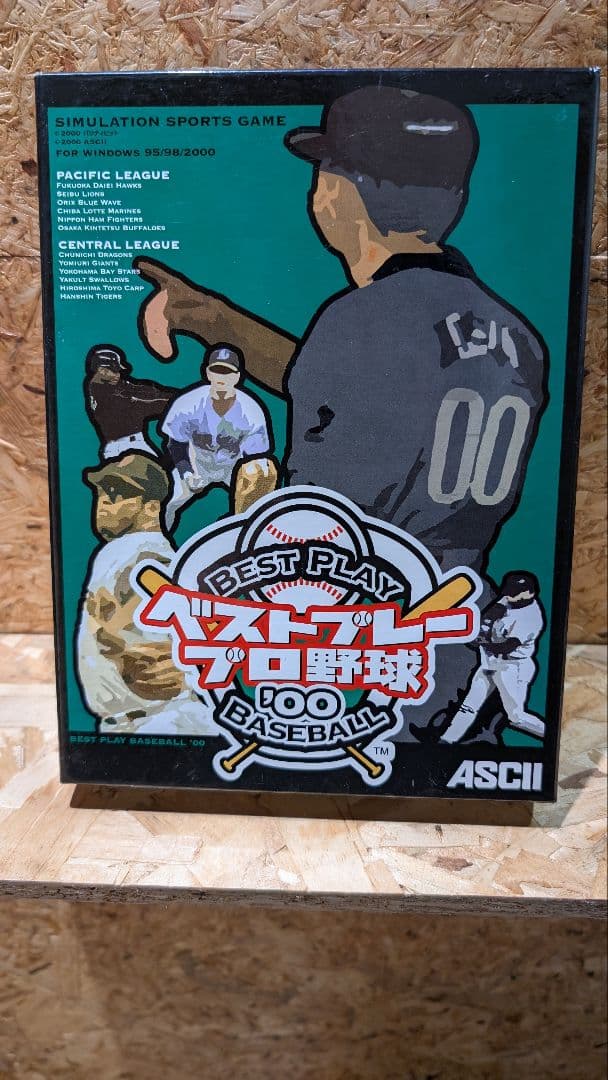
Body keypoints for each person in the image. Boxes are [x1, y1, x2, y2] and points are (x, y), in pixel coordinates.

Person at [133, 85, 548, 734]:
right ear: (455, 198)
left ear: (336, 196)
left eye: (323, 172)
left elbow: (312, 513)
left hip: (359, 649)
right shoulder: (514, 335)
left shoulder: (361, 320)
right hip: (459, 626)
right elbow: (378, 391)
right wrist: (211, 317)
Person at [77, 453, 217, 735]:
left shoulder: (143, 552)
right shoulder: (124, 551)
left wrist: (182, 667)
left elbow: (197, 624)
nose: (105, 502)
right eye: (103, 493)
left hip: (158, 721)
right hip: (146, 719)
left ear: (151, 506)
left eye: (119, 494)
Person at [162, 344, 275, 529]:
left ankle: (250, 538)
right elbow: (176, 444)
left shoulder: (251, 410)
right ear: (208, 373)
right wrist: (187, 473)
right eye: (217, 371)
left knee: (259, 484)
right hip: (198, 463)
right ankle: (160, 542)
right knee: (165, 503)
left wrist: (248, 488)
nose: (221, 377)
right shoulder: (189, 403)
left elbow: (255, 459)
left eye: (227, 372)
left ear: (237, 377)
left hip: (232, 465)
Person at [440, 572, 545, 743]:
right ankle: (446, 741)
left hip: (513, 667)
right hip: (490, 663)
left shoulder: (531, 617)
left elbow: (505, 647)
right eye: (508, 592)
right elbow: (489, 617)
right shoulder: (510, 599)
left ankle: (552, 735)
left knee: (516, 717)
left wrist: (480, 642)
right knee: (468, 707)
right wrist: (479, 633)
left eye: (514, 593)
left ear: (529, 593)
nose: (508, 596)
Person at [85, 344, 175, 460]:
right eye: (114, 371)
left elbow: (139, 390)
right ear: (102, 370)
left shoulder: (109, 384)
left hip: (128, 445)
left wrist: (176, 395)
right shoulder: (101, 392)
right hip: (125, 448)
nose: (118, 375)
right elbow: (142, 406)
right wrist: (175, 402)